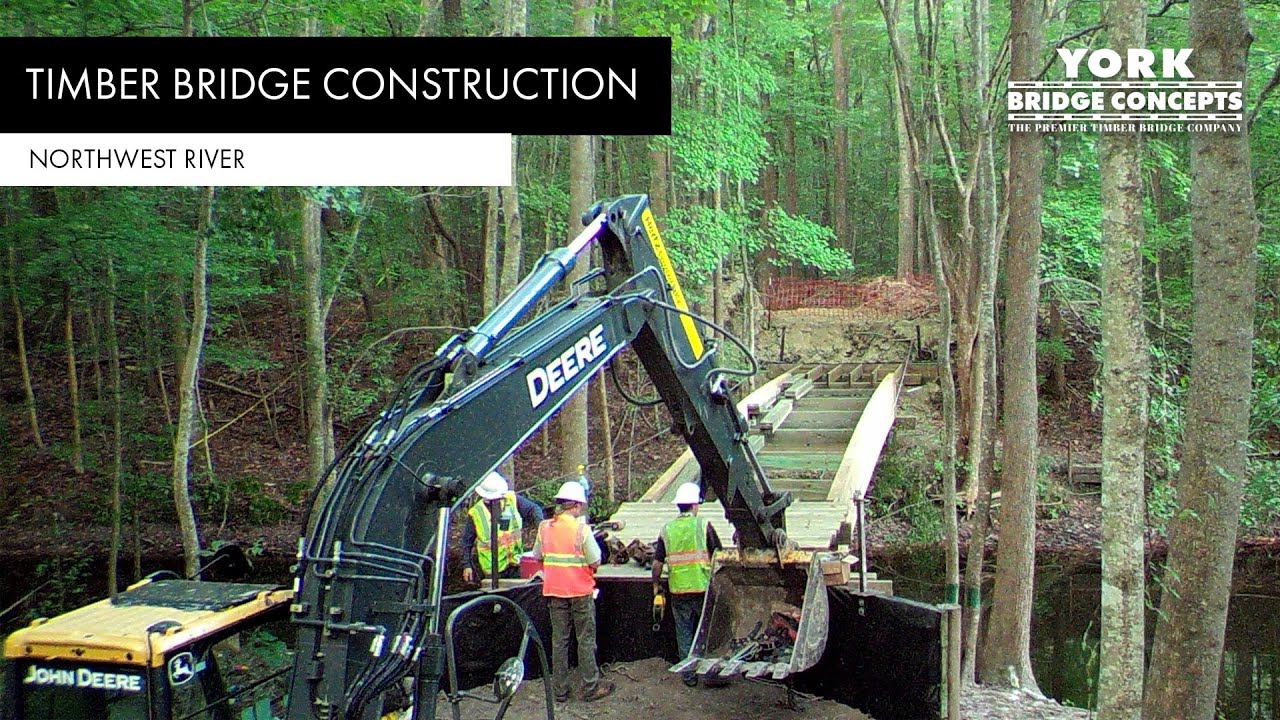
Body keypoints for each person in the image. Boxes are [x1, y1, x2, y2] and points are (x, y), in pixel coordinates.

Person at [530, 481, 615, 703]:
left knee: (560, 641)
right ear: (575, 506)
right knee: (585, 639)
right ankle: (590, 687)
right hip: (580, 591)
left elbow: (537, 556)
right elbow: (595, 560)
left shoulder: (544, 528)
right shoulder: (581, 529)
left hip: (555, 591)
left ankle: (560, 691)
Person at [651, 482, 722, 687]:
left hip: (678, 590)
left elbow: (657, 564)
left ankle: (689, 677)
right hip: (702, 588)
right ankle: (710, 675)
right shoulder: (703, 525)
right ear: (694, 505)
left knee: (684, 633)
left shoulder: (667, 529)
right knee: (708, 633)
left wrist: (656, 585)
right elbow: (719, 555)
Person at [461, 471, 544, 585]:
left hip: (516, 562)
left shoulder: (511, 499)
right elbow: (466, 542)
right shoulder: (476, 513)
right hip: (493, 569)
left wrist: (541, 527)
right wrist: (467, 565)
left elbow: (533, 509)